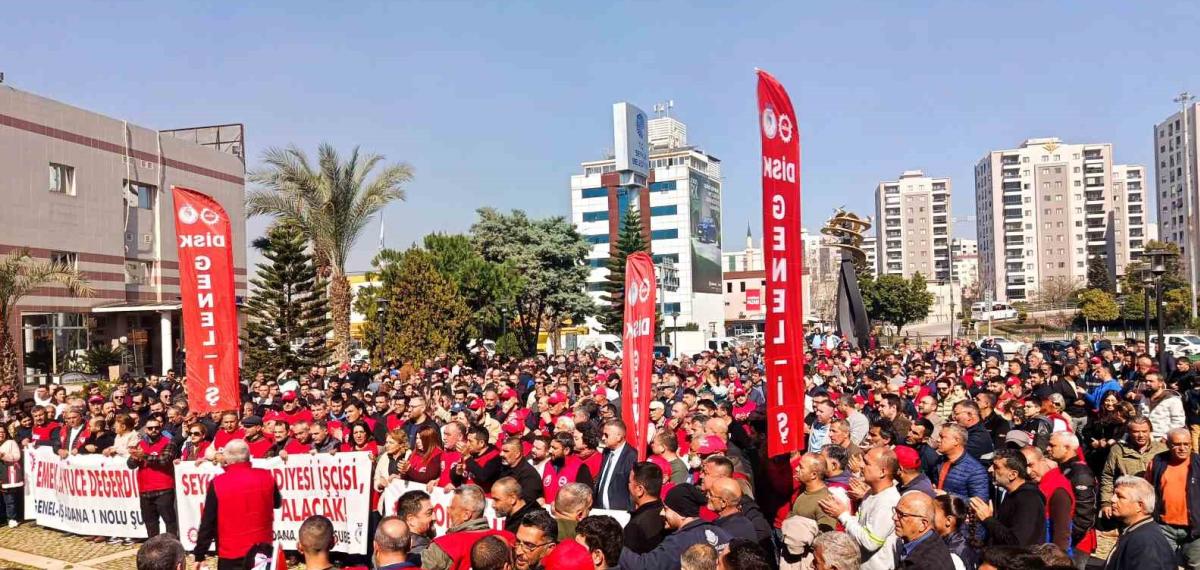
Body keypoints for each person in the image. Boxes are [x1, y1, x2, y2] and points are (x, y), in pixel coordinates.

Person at [193, 439, 282, 569]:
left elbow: (208, 521)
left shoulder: (218, 482)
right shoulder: (266, 475)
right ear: (247, 455)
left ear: (227, 458)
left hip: (231, 553)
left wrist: (200, 554)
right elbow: (277, 503)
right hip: (262, 550)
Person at [819, 446, 901, 570]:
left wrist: (842, 515)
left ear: (882, 472)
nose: (861, 466)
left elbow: (870, 542)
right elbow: (860, 525)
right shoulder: (870, 493)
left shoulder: (888, 502)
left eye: (867, 463)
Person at [617, 484, 732, 569]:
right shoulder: (720, 532)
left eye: (666, 509)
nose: (661, 513)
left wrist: (614, 545)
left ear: (681, 514)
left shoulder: (679, 542)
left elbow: (644, 566)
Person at [423, 484, 515, 570]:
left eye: (452, 508)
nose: (448, 511)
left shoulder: (442, 546)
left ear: (466, 515)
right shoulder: (510, 539)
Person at [1146, 427, 1200, 569]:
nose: (1182, 448)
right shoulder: (1157, 462)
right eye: (1177, 444)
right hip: (1164, 526)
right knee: (1163, 565)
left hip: (1195, 528)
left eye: (1186, 444)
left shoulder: (1198, 463)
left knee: (1196, 565)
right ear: (1168, 444)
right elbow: (1148, 490)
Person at [970, 448, 1045, 547]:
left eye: (996, 467)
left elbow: (1017, 542)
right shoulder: (1012, 495)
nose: (990, 470)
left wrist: (988, 519)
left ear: (1013, 474)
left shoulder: (1028, 499)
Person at [1104, 476, 1175, 570]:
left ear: (1139, 506)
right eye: (1114, 494)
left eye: (1120, 496)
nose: (1112, 499)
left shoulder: (1145, 541)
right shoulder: (1136, 531)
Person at [1100, 416, 1165, 513]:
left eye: (1144, 431)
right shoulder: (1118, 450)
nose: (1141, 435)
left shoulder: (1162, 449)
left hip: (1157, 502)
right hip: (1130, 504)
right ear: (1129, 432)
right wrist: (1106, 502)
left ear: (1150, 431)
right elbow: (1108, 477)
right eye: (1136, 432)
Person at [127, 416, 178, 541]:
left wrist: (143, 456)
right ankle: (154, 548)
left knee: (169, 521)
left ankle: (171, 546)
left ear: (160, 428)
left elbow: (164, 460)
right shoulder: (141, 444)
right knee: (150, 522)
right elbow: (130, 465)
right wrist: (134, 457)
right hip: (145, 489)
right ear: (145, 430)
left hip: (164, 488)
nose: (154, 430)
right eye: (150, 428)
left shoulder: (168, 442)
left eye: (156, 427)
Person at [892, 491, 956, 570]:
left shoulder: (926, 564)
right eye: (896, 511)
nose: (894, 517)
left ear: (923, 524)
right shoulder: (930, 539)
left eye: (901, 514)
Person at [935, 424, 990, 501]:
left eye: (942, 437)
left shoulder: (975, 470)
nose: (938, 440)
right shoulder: (940, 461)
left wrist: (948, 496)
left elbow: (980, 502)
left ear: (956, 441)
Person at [624, 462, 668, 554]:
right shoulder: (667, 515)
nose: (628, 486)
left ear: (639, 490)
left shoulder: (636, 526)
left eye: (629, 482)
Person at [595, 419, 637, 511]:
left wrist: (629, 513)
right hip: (601, 510)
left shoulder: (631, 455)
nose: (603, 438)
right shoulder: (606, 452)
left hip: (620, 512)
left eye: (606, 435)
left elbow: (633, 486)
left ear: (619, 437)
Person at [933, 494, 981, 570]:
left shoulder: (953, 557)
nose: (928, 515)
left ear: (948, 521)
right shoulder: (959, 540)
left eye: (933, 513)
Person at [1138, 372, 1185, 440]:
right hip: (1145, 437)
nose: (1147, 383)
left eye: (1151, 381)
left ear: (1160, 383)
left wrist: (1166, 436)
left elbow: (1178, 421)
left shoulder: (1172, 399)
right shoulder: (1144, 397)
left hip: (1163, 438)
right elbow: (1139, 416)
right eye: (1146, 381)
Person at [706, 476, 756, 541]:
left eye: (711, 494)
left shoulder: (727, 532)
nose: (707, 496)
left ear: (723, 502)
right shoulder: (741, 521)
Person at [500, 437, 545, 504]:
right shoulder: (504, 467)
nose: (501, 454)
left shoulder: (529, 475)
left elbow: (526, 502)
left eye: (506, 451)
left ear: (517, 454)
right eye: (502, 450)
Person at [395, 490, 435, 566]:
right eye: (429, 513)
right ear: (411, 520)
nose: (434, 518)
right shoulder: (423, 555)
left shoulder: (386, 548)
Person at [0, 427, 22, 528]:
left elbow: (17, 456)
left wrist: (3, 455)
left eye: (3, 432)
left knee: (9, 498)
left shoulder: (11, 442)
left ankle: (12, 518)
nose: (1, 434)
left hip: (7, 473)